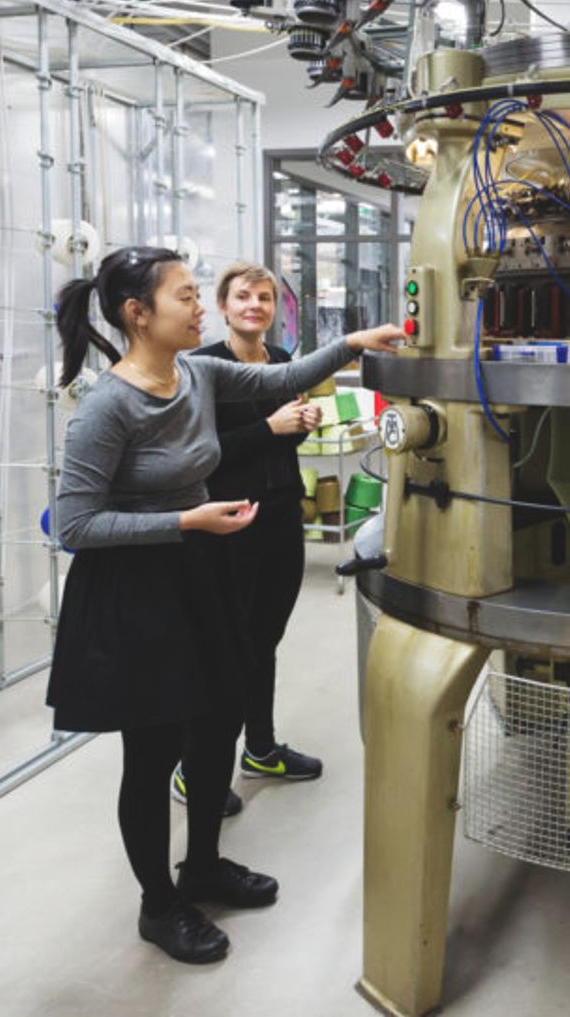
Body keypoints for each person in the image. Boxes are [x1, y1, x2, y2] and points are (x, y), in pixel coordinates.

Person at [46, 245, 402, 965]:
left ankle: (203, 863)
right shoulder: (106, 406)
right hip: (137, 589)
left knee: (217, 725)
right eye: (185, 295)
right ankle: (158, 902)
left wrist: (355, 343)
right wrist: (184, 521)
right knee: (152, 754)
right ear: (136, 313)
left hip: (198, 573)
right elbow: (75, 525)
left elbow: (284, 375)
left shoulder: (197, 374)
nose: (199, 306)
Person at [171, 263, 323, 818]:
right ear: (224, 306)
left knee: (264, 640)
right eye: (243, 297)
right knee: (225, 648)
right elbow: (198, 453)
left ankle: (259, 747)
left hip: (282, 517)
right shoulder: (202, 368)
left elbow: (281, 444)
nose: (255, 305)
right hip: (228, 521)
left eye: (264, 297)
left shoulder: (280, 363)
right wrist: (269, 429)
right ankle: (194, 766)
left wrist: (300, 424)